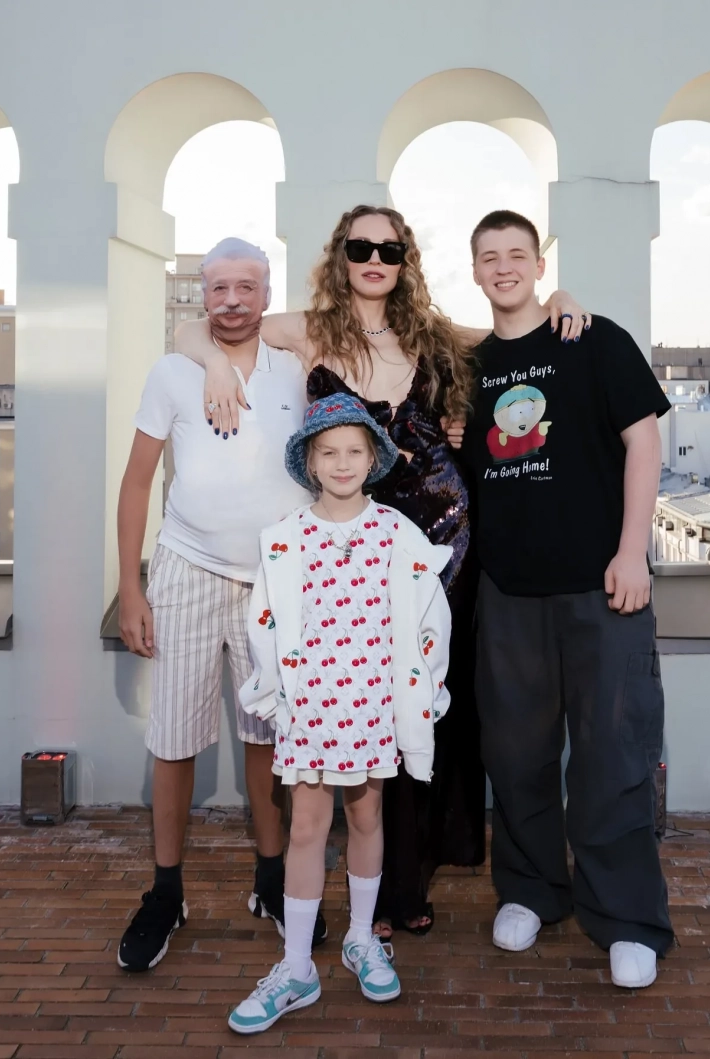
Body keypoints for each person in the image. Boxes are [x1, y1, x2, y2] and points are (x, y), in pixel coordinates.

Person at [175, 205, 589, 937]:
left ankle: (408, 882)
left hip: (443, 540)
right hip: (353, 546)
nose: (375, 259)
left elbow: (510, 327)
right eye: (361, 247)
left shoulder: (430, 331)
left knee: (425, 698)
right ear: (342, 254)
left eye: (389, 250)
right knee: (366, 696)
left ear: (405, 260)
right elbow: (201, 328)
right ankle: (378, 884)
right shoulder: (309, 329)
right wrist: (211, 360)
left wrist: (558, 297)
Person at [462, 210, 674, 989]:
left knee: (612, 753)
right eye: (490, 256)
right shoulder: (469, 365)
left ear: (539, 263)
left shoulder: (594, 339)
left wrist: (632, 549)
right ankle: (531, 890)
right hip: (508, 590)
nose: (504, 266)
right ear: (475, 271)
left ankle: (626, 918)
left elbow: (643, 440)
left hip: (602, 585)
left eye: (517, 253)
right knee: (515, 754)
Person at [115, 238, 326, 972]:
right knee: (174, 738)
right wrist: (132, 587)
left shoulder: (297, 366)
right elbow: (137, 481)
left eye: (246, 287)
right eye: (218, 288)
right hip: (187, 567)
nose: (232, 301)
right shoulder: (173, 370)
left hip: (276, 578)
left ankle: (272, 881)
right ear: (201, 293)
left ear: (267, 293)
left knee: (269, 735)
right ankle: (165, 892)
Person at [227, 395, 452, 1033]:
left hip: (372, 707)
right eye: (329, 452)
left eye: (354, 450)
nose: (342, 462)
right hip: (309, 710)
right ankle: (297, 965)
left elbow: (430, 615)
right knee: (305, 828)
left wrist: (424, 690)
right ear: (310, 461)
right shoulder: (286, 538)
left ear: (372, 457)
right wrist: (274, 695)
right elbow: (264, 623)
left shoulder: (396, 533)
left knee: (366, 816)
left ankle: (360, 936)